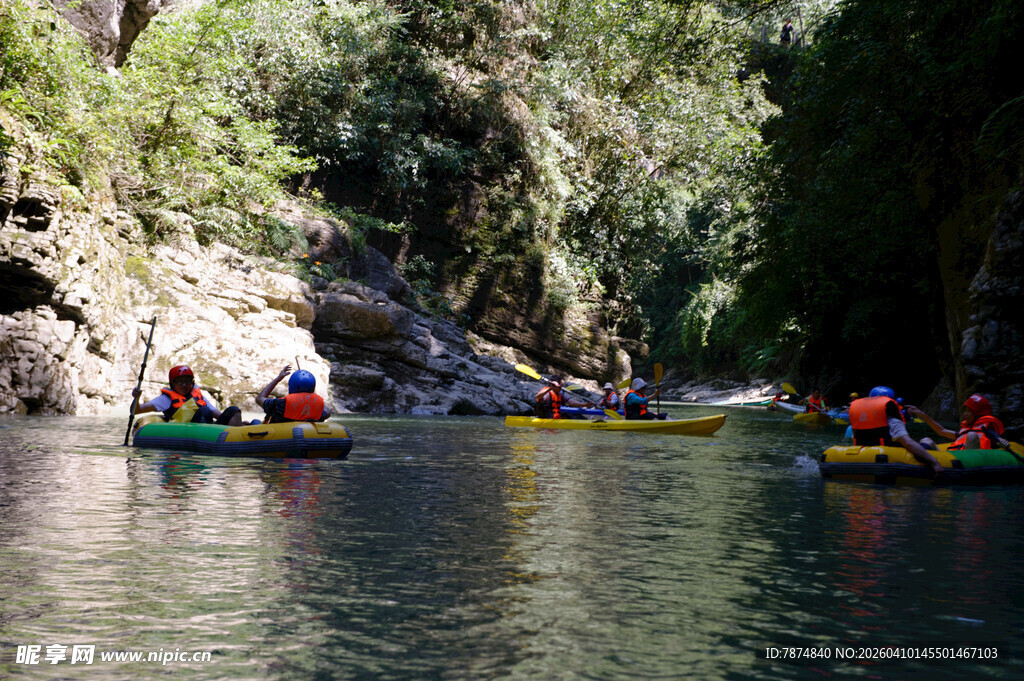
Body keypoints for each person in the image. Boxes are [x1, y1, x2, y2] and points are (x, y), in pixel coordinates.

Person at [849, 386, 942, 475]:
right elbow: (908, 443)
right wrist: (934, 462)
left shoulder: (859, 421)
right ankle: (943, 458)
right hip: (890, 458)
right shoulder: (893, 422)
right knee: (926, 440)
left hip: (866, 457)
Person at [132, 365, 244, 426]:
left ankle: (238, 431)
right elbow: (136, 411)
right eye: (180, 382)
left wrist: (232, 420)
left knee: (233, 410)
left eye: (187, 382)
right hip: (188, 431)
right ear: (173, 384)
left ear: (192, 382)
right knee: (202, 411)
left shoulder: (196, 394)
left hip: (210, 429)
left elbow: (214, 413)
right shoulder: (165, 399)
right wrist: (136, 398)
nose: (184, 385)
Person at [906, 393, 1010, 451]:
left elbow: (998, 439)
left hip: (968, 464)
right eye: (965, 411)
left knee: (972, 435)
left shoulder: (988, 431)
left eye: (969, 411)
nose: (965, 414)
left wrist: (1002, 442)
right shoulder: (964, 432)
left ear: (978, 414)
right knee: (926, 440)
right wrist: (921, 414)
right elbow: (941, 430)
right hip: (952, 461)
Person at [256, 365, 331, 423]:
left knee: (255, 422)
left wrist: (278, 378)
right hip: (307, 437)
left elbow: (260, 399)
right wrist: (310, 397)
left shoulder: (280, 404)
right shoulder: (320, 410)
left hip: (281, 438)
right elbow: (327, 412)